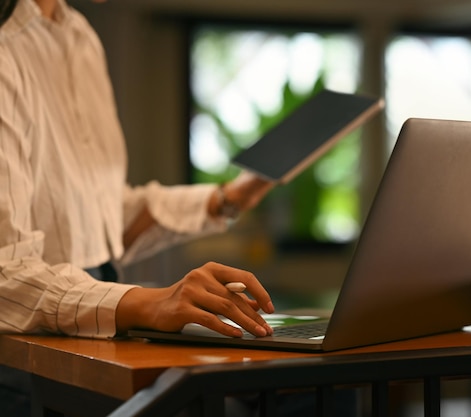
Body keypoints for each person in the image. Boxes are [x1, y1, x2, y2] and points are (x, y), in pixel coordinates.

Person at [0, 0, 284, 414]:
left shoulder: (78, 34)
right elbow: (5, 272)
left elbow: (96, 218)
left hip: (87, 323)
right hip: (24, 355)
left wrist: (226, 199)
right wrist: (150, 303)